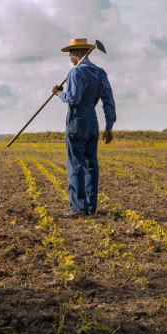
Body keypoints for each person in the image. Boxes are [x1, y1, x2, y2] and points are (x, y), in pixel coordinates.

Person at [52, 38, 116, 217]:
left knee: (75, 164)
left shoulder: (75, 72)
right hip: (93, 123)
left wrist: (59, 93)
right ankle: (90, 208)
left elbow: (73, 99)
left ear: (77, 53)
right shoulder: (100, 73)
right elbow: (108, 100)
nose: (70, 57)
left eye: (71, 54)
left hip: (77, 122)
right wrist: (109, 125)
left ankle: (78, 208)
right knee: (91, 165)